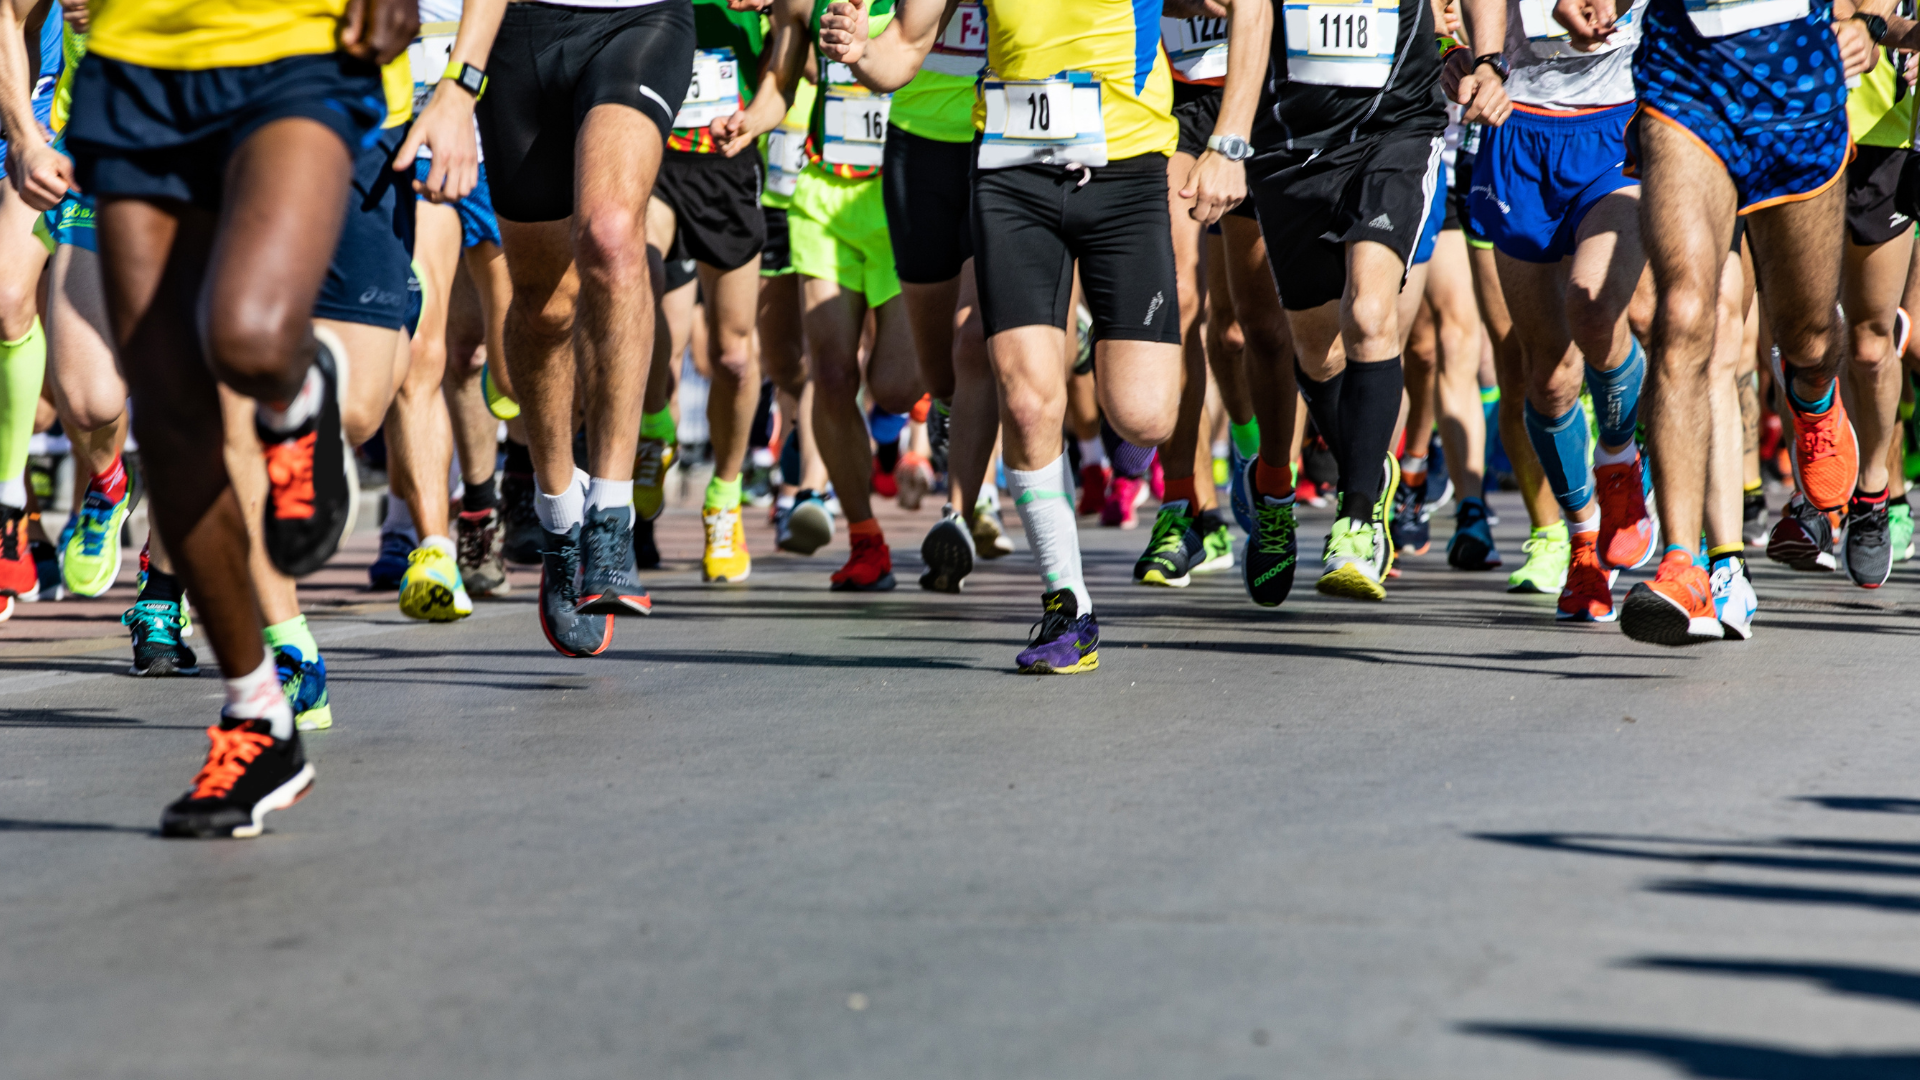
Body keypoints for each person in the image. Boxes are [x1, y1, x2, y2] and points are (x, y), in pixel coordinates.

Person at [53, 0, 418, 836]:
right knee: (170, 414)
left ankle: (295, 390)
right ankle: (257, 720)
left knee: (249, 337)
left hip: (298, 43)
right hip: (134, 54)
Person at [821, 0, 1188, 672]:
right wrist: (859, 51)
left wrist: (1225, 142)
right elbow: (904, 43)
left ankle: (1085, 342)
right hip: (1011, 173)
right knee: (1020, 399)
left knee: (1144, 415)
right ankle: (1067, 603)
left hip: (1126, 169)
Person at [1559, 0, 1882, 643]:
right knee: (1682, 313)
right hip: (1685, 79)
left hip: (1795, 79)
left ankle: (1814, 400)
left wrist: (1868, 20)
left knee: (1808, 336)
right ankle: (1683, 563)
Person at [413, 0, 694, 655]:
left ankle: (612, 514)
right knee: (543, 306)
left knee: (612, 233)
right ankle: (561, 512)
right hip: (522, 31)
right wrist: (460, 80)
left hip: (641, 20)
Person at [1223, 0, 1511, 604]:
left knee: (1369, 314)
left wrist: (1487, 59)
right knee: (1315, 352)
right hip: (1289, 144)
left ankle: (1356, 520)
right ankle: (1341, 470)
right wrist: (1228, 145)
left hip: (1395, 130)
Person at [718, 0, 923, 594]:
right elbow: (780, 79)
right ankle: (865, 537)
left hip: (902, 197)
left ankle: (937, 399)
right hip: (822, 197)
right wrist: (754, 118)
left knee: (896, 385)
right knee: (829, 373)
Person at [1473, 0, 1658, 624]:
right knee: (1549, 379)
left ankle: (1618, 459)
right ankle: (1583, 547)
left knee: (1594, 300)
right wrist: (1474, 59)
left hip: (1618, 124)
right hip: (1518, 130)